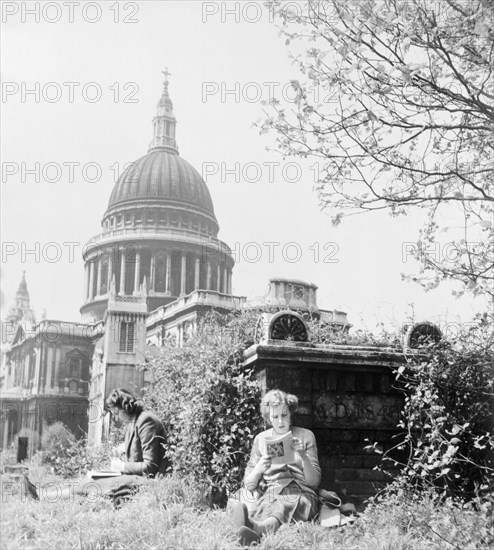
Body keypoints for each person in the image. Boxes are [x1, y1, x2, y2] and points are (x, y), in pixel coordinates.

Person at [21, 388, 167, 502]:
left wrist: (122, 466)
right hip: (136, 478)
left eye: (116, 413)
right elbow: (138, 453)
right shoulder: (135, 422)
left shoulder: (146, 421)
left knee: (90, 485)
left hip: (149, 482)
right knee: (88, 481)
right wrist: (122, 454)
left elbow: (150, 467)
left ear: (125, 407)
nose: (116, 418)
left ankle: (40, 496)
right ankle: (40, 493)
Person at [233, 389, 321, 546]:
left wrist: (303, 456)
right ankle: (250, 526)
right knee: (263, 503)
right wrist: (259, 468)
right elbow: (249, 484)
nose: (281, 422)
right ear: (268, 418)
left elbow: (314, 483)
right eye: (275, 417)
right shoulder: (261, 439)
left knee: (287, 503)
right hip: (272, 491)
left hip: (301, 491)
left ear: (291, 414)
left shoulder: (306, 436)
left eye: (284, 415)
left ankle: (256, 529)